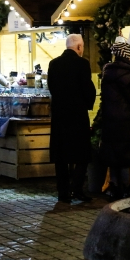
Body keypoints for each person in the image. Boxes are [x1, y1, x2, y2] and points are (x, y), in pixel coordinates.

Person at [47, 33, 97, 203]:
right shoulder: (82, 64)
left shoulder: (53, 64)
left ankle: (63, 193)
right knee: (81, 155)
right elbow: (88, 89)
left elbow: (51, 87)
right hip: (77, 116)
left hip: (60, 116)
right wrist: (87, 104)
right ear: (79, 47)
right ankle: (77, 189)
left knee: (61, 156)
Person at [99, 40, 130, 200]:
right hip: (127, 121)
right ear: (127, 55)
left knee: (114, 155)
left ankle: (113, 187)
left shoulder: (107, 73)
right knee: (127, 155)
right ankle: (127, 188)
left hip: (110, 121)